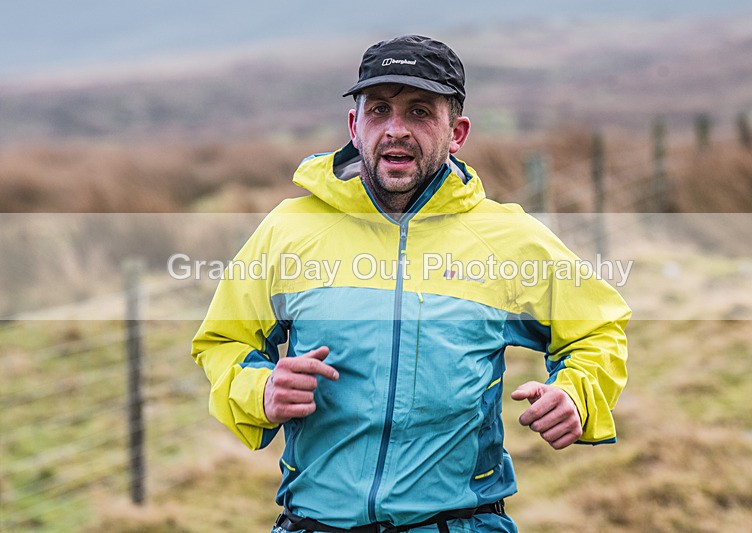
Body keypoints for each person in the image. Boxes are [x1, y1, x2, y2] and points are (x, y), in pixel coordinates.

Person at [192, 35, 630, 533]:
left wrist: (577, 394)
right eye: (380, 110)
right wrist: (261, 389)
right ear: (355, 126)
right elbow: (223, 342)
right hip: (314, 524)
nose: (395, 130)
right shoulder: (288, 231)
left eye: (420, 112)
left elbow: (598, 330)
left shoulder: (508, 239)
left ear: (457, 132)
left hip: (460, 523)